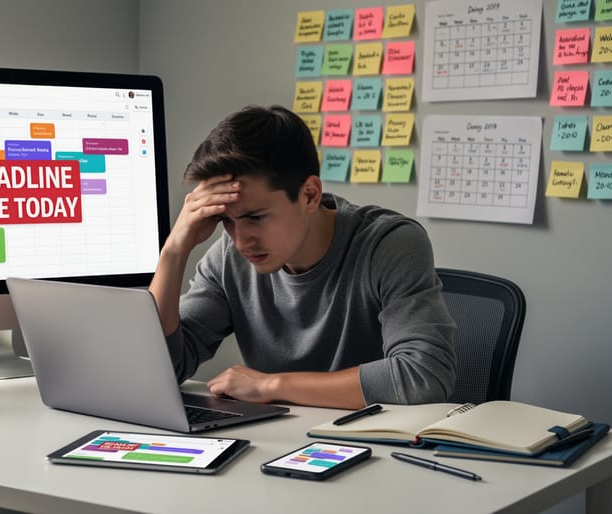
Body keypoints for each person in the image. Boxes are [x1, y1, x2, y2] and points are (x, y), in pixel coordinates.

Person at [148, 105, 456, 410]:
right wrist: (174, 250)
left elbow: (424, 375)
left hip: (373, 445)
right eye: (227, 221)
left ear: (309, 194)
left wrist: (271, 385)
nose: (241, 242)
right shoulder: (228, 259)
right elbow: (161, 370)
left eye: (256, 217)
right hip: (281, 443)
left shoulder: (390, 244)